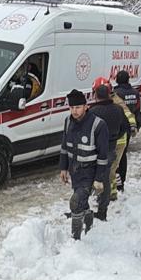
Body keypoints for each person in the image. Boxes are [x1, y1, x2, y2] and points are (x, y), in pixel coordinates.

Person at [58, 90, 110, 240]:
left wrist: (99, 179)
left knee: (75, 202)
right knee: (81, 202)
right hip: (75, 171)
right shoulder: (68, 121)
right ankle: (89, 224)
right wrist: (63, 168)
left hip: (90, 172)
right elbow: (64, 146)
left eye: (78, 107)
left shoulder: (98, 125)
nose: (75, 111)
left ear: (86, 106)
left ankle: (76, 239)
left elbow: (103, 156)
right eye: (72, 107)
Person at [88, 80, 133, 218]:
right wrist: (114, 138)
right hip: (110, 149)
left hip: (96, 151)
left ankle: (91, 203)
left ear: (95, 95)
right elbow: (125, 128)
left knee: (91, 177)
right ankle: (103, 210)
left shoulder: (93, 112)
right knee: (106, 178)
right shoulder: (118, 109)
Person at [112, 70, 141, 193]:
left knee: (115, 158)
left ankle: (116, 183)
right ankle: (121, 182)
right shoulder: (135, 93)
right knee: (123, 155)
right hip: (130, 127)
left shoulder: (116, 93)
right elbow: (137, 110)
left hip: (118, 129)